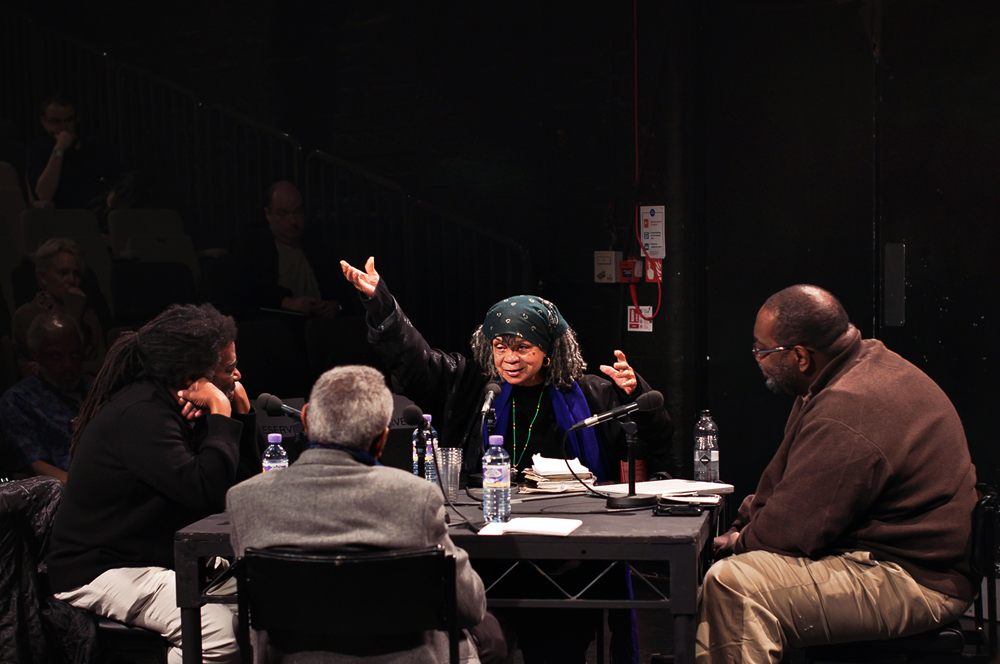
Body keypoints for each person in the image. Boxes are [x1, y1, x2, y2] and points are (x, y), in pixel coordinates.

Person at [341, 256, 674, 664]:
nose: (509, 359)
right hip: (490, 545)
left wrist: (634, 394)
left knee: (556, 644)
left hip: (570, 555)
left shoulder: (590, 394)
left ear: (549, 350)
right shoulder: (475, 388)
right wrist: (382, 304)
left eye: (522, 347)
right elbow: (416, 361)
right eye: (500, 347)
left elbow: (654, 439)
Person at [696, 285, 978, 664]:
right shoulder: (845, 373)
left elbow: (796, 529)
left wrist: (740, 542)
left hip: (917, 580)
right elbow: (783, 480)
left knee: (734, 586)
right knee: (732, 573)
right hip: (886, 560)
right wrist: (744, 527)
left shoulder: (849, 404)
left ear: (799, 356)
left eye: (762, 350)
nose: (758, 359)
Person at [227, 364, 505, 663]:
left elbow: (247, 612)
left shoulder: (245, 499)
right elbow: (469, 605)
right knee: (489, 634)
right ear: (382, 439)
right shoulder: (415, 496)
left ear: (305, 419)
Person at [45, 303, 266, 664]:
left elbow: (236, 496)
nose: (238, 375)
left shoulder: (176, 409)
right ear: (195, 376)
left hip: (158, 556)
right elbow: (205, 495)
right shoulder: (142, 414)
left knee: (268, 599)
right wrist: (222, 416)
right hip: (101, 568)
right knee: (217, 635)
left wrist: (240, 416)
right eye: (229, 369)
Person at [238, 180, 359, 319]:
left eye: (297, 212)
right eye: (282, 214)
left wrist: (335, 307)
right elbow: (245, 294)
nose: (293, 221)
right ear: (268, 214)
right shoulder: (255, 249)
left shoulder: (319, 249)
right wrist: (287, 302)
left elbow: (344, 297)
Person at [0, 313, 88, 483]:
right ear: (36, 354)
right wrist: (80, 489)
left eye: (74, 355)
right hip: (71, 490)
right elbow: (34, 465)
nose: (68, 364)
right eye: (56, 356)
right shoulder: (18, 400)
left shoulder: (95, 389)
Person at [11, 237, 108, 379]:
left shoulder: (88, 315)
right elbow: (60, 367)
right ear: (43, 277)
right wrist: (73, 316)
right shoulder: (26, 315)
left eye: (76, 274)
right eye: (63, 273)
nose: (71, 280)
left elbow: (105, 366)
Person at [25, 94, 124, 211]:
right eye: (55, 121)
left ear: (76, 118)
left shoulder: (95, 143)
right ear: (44, 122)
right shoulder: (38, 149)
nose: (63, 127)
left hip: (105, 205)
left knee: (134, 180)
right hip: (70, 213)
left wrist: (115, 191)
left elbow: (118, 178)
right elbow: (43, 195)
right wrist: (59, 149)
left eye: (68, 120)